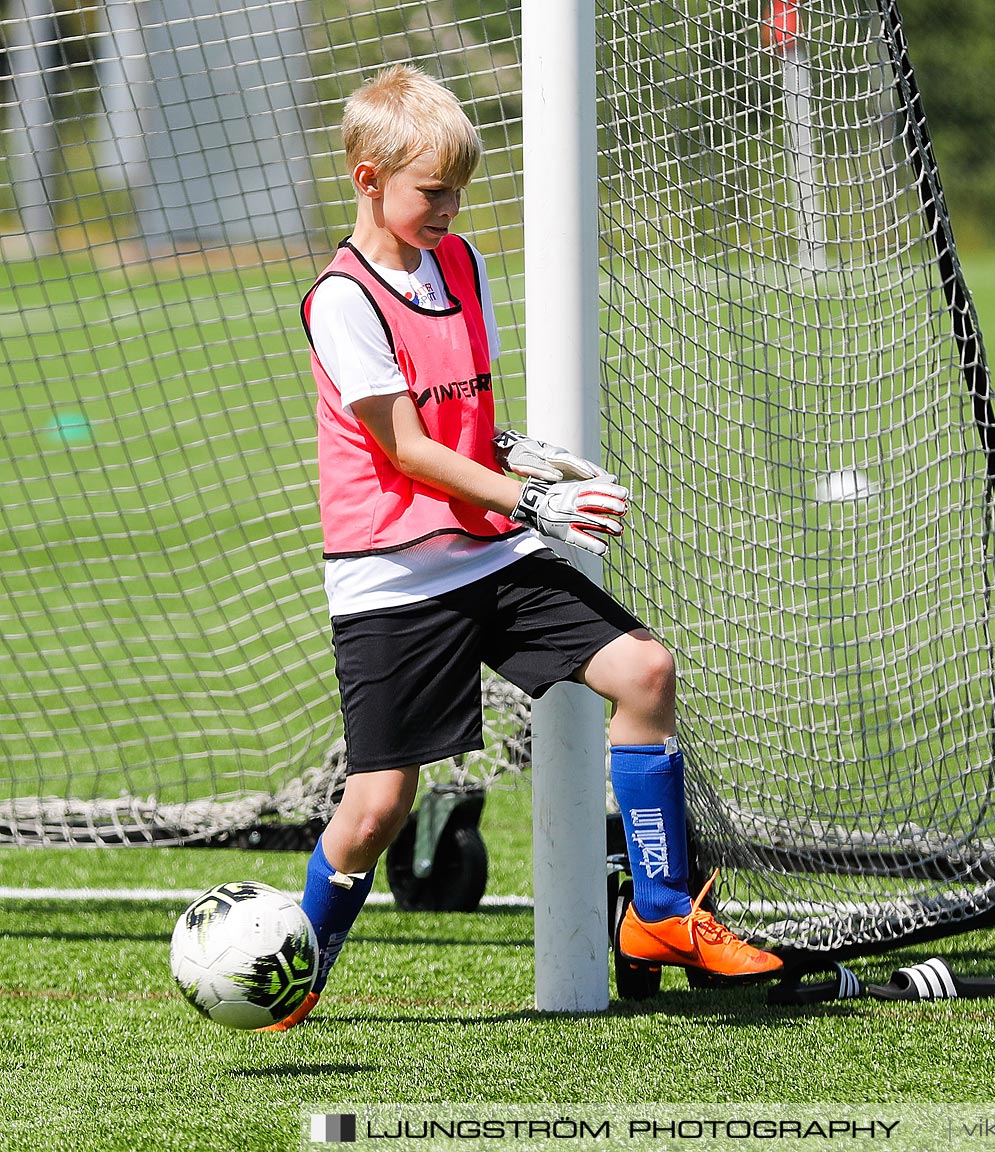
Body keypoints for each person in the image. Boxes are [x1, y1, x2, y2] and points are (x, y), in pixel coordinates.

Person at [271, 65, 780, 1030]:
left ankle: (661, 916)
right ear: (369, 177)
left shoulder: (460, 265)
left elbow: (465, 418)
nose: (447, 208)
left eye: (457, 189)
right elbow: (408, 448)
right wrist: (535, 498)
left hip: (486, 549)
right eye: (431, 190)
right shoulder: (341, 299)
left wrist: (524, 458)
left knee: (645, 671)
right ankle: (294, 965)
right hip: (392, 576)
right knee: (378, 806)